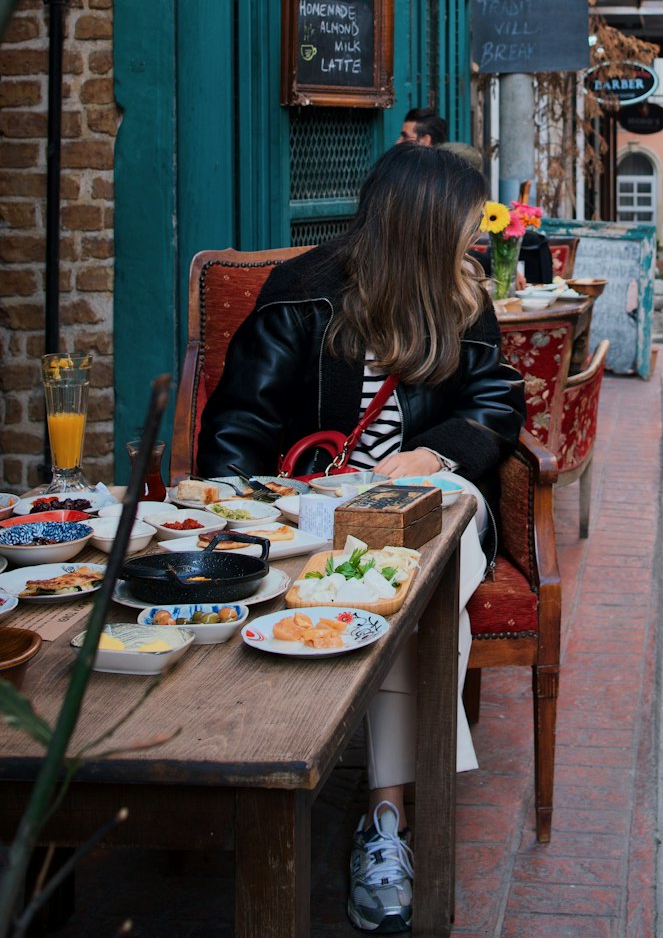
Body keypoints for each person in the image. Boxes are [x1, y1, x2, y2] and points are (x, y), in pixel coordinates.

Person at [197, 146, 525, 933]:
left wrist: (432, 453)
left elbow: (496, 396)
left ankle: (385, 816)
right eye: (463, 223)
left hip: (434, 489)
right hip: (316, 504)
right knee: (376, 568)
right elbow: (237, 424)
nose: (475, 241)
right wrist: (248, 512)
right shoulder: (300, 295)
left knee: (424, 556)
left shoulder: (462, 293)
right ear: (422, 224)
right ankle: (370, 805)